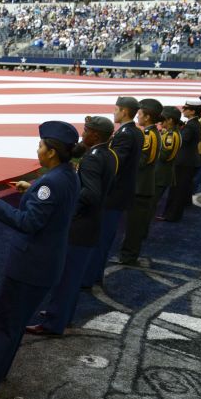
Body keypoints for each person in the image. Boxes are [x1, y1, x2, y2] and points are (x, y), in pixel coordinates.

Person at [0, 121, 80, 399]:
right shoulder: (66, 175)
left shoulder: (51, 182)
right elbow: (51, 201)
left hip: (29, 266)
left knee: (6, 323)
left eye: (41, 145)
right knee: (15, 323)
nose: (38, 149)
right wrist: (30, 188)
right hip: (45, 263)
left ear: (52, 152)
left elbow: (29, 222)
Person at [29, 116, 116, 335]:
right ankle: (62, 315)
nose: (83, 133)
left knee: (66, 277)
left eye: (86, 130)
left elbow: (91, 193)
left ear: (95, 134)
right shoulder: (108, 153)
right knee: (72, 277)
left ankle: (53, 323)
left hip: (80, 227)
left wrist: (70, 208)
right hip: (91, 225)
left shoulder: (92, 158)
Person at [83, 97, 141, 287]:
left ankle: (89, 278)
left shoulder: (124, 134)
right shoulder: (135, 131)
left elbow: (115, 162)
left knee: (100, 238)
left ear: (124, 111)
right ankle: (95, 274)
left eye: (116, 109)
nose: (114, 112)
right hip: (121, 192)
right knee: (104, 238)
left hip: (113, 194)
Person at [116, 99, 162, 265]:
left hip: (141, 187)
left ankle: (128, 256)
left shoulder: (149, 135)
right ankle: (128, 254)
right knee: (135, 225)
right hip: (142, 185)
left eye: (140, 114)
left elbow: (143, 162)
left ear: (148, 117)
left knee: (134, 226)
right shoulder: (149, 133)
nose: (137, 117)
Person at [163, 100, 201, 221]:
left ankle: (173, 215)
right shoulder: (193, 123)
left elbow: (181, 140)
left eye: (186, 108)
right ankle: (175, 211)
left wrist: (172, 132)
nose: (183, 110)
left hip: (185, 162)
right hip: (188, 160)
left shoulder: (191, 126)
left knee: (178, 190)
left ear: (192, 111)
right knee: (182, 188)